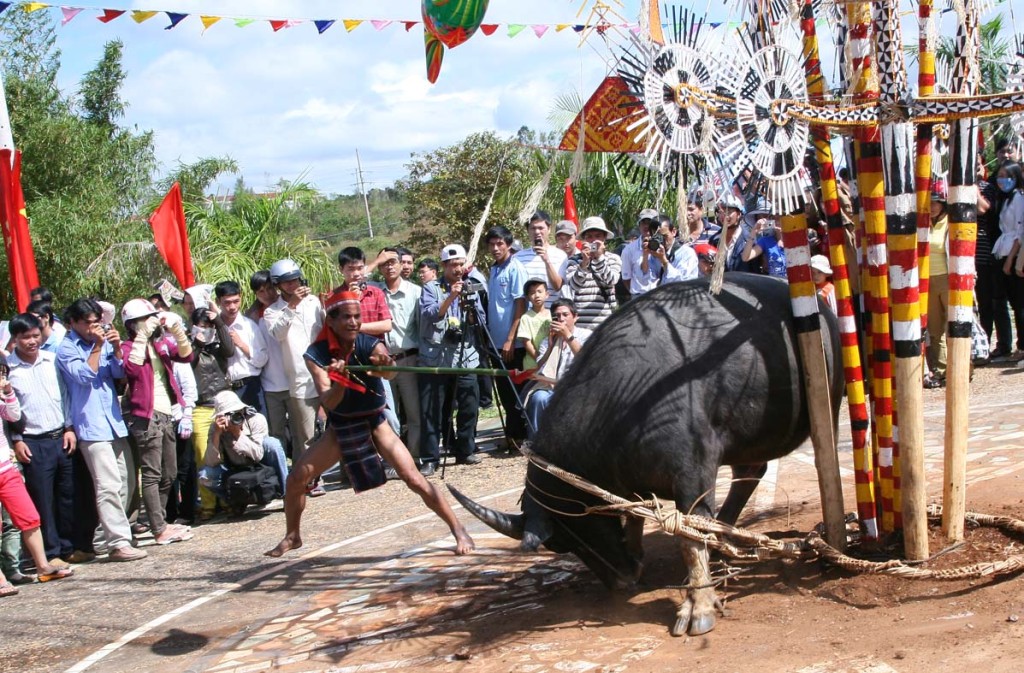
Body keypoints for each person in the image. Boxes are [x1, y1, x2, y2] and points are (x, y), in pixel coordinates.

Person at [265, 289, 475, 558]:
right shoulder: (315, 354)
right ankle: (293, 535)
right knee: (296, 479)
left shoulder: (369, 344)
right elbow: (329, 402)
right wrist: (340, 381)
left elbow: (387, 372)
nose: (353, 322)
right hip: (341, 424)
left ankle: (458, 529)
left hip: (375, 421)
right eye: (347, 318)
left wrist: (384, 364)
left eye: (357, 317)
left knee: (414, 478)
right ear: (331, 321)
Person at [56, 298, 147, 561]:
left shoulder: (104, 341)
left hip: (113, 421)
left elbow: (119, 374)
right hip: (90, 425)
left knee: (126, 482)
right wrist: (97, 346)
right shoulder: (67, 349)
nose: (93, 328)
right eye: (87, 323)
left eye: (97, 323)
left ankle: (103, 535)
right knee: (107, 484)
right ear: (72, 323)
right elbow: (83, 376)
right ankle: (118, 543)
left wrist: (116, 347)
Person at [119, 298, 195, 545]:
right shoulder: (129, 346)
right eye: (145, 318)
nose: (152, 321)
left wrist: (177, 330)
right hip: (144, 416)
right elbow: (131, 369)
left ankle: (160, 521)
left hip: (167, 413)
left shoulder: (160, 345)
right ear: (132, 324)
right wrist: (143, 335)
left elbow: (186, 355)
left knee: (169, 472)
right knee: (151, 474)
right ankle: (158, 528)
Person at [7, 314, 76, 565]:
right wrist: (17, 439)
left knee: (66, 496)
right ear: (15, 339)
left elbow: (65, 396)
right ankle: (51, 552)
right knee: (42, 500)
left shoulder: (52, 361)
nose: (32, 341)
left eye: (36, 335)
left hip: (61, 436)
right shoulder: (10, 371)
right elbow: (9, 412)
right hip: (32, 442)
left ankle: (69, 547)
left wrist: (69, 428)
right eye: (26, 337)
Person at [0, 367, 74, 594]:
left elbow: (14, 416)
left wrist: (9, 392)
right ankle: (2, 578)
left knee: (29, 517)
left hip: (5, 467)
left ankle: (43, 565)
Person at [418, 244, 485, 474]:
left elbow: (480, 321)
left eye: (461, 264)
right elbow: (429, 314)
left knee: (469, 405)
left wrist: (471, 309)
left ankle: (465, 450)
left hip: (464, 355)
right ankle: (430, 458)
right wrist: (451, 296)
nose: (457, 269)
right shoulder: (431, 288)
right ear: (444, 266)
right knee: (433, 410)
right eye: (453, 265)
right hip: (436, 358)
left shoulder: (470, 287)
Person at [263, 259, 325, 494]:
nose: (293, 285)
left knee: (335, 426)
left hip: (324, 370)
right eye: (287, 282)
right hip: (299, 378)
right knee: (305, 436)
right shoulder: (272, 311)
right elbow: (278, 334)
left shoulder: (313, 302)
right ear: (278, 285)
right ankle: (307, 480)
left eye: (295, 280)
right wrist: (292, 306)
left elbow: (324, 327)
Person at [198, 390, 288, 514]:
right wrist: (217, 435)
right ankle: (235, 501)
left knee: (272, 444)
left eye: (236, 412)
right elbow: (211, 462)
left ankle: (287, 495)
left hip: (262, 466)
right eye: (227, 414)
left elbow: (258, 455)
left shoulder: (256, 419)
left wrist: (238, 434)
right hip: (235, 468)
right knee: (205, 475)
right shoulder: (216, 428)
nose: (234, 417)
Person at [188, 303, 237, 519]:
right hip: (201, 407)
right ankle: (208, 503)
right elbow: (189, 360)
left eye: (208, 326)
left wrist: (217, 321)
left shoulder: (218, 349)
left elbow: (230, 349)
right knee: (203, 454)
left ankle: (228, 498)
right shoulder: (188, 350)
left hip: (223, 404)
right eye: (201, 326)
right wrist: (196, 343)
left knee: (227, 453)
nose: (204, 330)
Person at [485, 226, 530, 449]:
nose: (495, 248)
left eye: (499, 244)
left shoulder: (516, 268)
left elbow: (520, 304)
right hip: (496, 341)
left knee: (516, 392)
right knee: (504, 393)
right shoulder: (494, 270)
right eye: (492, 244)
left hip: (513, 343)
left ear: (508, 244)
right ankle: (512, 436)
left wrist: (511, 339)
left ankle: (521, 436)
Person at [378, 247, 423, 462]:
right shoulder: (374, 291)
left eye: (393, 261)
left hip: (409, 359)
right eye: (384, 262)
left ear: (401, 263)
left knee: (414, 413)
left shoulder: (416, 292)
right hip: (383, 363)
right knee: (388, 416)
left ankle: (413, 457)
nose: (389, 266)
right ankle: (393, 460)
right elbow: (355, 281)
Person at [524, 299, 591, 439]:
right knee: (538, 398)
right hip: (550, 385)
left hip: (577, 386)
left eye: (565, 315)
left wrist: (568, 336)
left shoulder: (586, 335)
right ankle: (536, 442)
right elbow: (539, 366)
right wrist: (550, 346)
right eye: (557, 316)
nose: (561, 319)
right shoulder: (548, 339)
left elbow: (586, 359)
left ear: (575, 316)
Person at [246, 270, 290, 446]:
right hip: (270, 385)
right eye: (261, 291)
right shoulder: (252, 318)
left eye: (270, 288)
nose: (267, 294)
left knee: (299, 432)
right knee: (276, 432)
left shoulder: (288, 308)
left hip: (294, 381)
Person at [216, 280, 269, 410]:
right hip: (223, 390)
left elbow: (262, 359)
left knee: (257, 428)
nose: (232, 307)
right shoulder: (213, 327)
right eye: (227, 303)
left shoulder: (250, 326)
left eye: (236, 301)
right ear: (218, 302)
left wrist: (241, 344)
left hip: (249, 387)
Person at [563, 216, 622, 330]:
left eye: (597, 236)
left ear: (604, 238)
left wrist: (599, 257)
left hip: (606, 322)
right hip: (581, 323)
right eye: (589, 236)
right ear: (584, 239)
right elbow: (574, 286)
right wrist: (584, 264)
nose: (593, 240)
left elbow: (611, 280)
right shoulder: (574, 260)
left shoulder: (613, 259)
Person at [992, 162, 1024, 358]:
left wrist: (1010, 260)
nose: (1002, 180)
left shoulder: (1019, 199)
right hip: (1002, 248)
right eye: (1000, 175)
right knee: (1006, 301)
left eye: (1007, 176)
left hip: (1012, 252)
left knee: (1019, 303)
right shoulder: (1005, 199)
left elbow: (1020, 232)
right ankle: (1011, 343)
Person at [514, 211, 567, 306]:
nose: (537, 232)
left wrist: (546, 260)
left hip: (550, 314)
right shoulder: (517, 257)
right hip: (527, 316)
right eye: (533, 228)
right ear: (527, 230)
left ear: (549, 229)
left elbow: (558, 286)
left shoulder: (560, 256)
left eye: (541, 228)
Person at [926, 179, 950, 380]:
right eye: (929, 202)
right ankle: (942, 370)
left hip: (948, 279)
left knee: (955, 326)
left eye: (936, 202)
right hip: (928, 281)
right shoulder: (921, 223)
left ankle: (963, 366)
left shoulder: (952, 222)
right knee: (935, 329)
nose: (932, 207)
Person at [620, 208, 663, 297]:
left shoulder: (664, 247)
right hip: (638, 297)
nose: (646, 226)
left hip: (660, 296)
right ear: (639, 225)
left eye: (650, 223)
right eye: (643, 223)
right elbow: (626, 279)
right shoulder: (628, 250)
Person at [710, 194, 755, 272]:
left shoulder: (749, 241)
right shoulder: (714, 240)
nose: (724, 216)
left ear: (739, 214)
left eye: (729, 212)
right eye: (721, 212)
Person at [650, 214, 699, 284]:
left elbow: (681, 282)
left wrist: (664, 261)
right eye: (657, 237)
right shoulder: (654, 254)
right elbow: (647, 282)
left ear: (673, 232)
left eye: (664, 236)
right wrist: (645, 257)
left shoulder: (687, 253)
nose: (661, 240)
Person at [741, 209, 787, 279]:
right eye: (773, 217)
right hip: (776, 286)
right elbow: (745, 257)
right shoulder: (765, 241)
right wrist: (753, 231)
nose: (777, 220)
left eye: (780, 216)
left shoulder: (795, 239)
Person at [517, 279, 551, 371]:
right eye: (532, 293)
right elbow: (526, 342)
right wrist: (540, 359)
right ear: (527, 298)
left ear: (547, 294)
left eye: (540, 291)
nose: (537, 295)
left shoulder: (553, 315)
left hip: (551, 363)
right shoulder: (526, 317)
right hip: (532, 365)